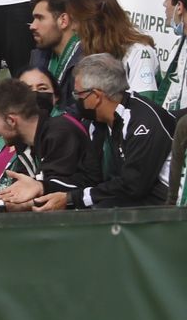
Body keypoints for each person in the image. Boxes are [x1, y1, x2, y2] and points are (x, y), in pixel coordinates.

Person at [60, 54, 176, 209]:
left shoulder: (142, 121)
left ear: (96, 96)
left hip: (168, 205)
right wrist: (44, 187)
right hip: (134, 200)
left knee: (97, 211)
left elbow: (134, 186)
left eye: (78, 94)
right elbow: (90, 177)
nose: (76, 100)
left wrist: (73, 198)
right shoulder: (97, 124)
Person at [0, 78, 95, 215]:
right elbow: (25, 196)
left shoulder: (60, 134)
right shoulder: (24, 144)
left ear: (11, 120)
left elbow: (57, 194)